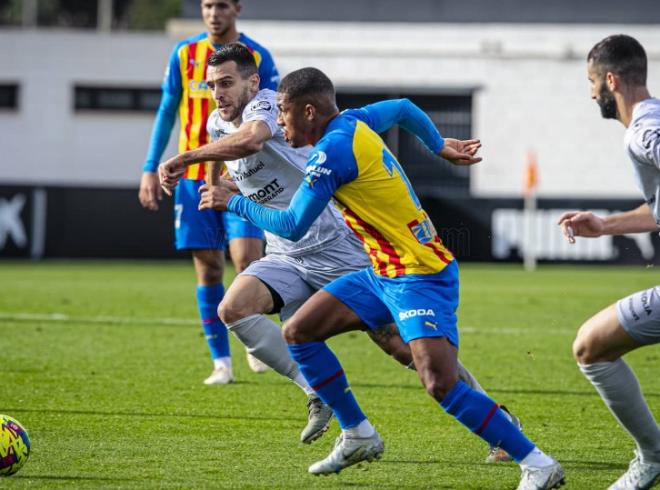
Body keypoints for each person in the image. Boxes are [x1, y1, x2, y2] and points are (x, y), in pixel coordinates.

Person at [186, 66, 564, 488]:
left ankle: (536, 462)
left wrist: (232, 202)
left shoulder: (331, 153)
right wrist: (439, 146)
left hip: (418, 273)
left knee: (437, 381)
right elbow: (403, 107)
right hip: (380, 272)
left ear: (308, 112)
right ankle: (358, 433)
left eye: (284, 114)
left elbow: (293, 224)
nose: (280, 124)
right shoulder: (355, 119)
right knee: (299, 332)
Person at [138, 0, 279, 385]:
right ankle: (222, 363)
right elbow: (168, 110)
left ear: (236, 8)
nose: (213, 12)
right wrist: (151, 166)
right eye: (206, 5)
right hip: (193, 179)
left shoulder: (256, 57)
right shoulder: (184, 54)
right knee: (209, 268)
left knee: (247, 261)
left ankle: (252, 335)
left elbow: (271, 115)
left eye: (221, 5)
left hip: (242, 177)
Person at [558, 34, 660, 490]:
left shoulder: (644, 129)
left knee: (590, 348)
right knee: (592, 345)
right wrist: (604, 226)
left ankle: (654, 456)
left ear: (611, 80)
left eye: (591, 81)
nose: (590, 92)